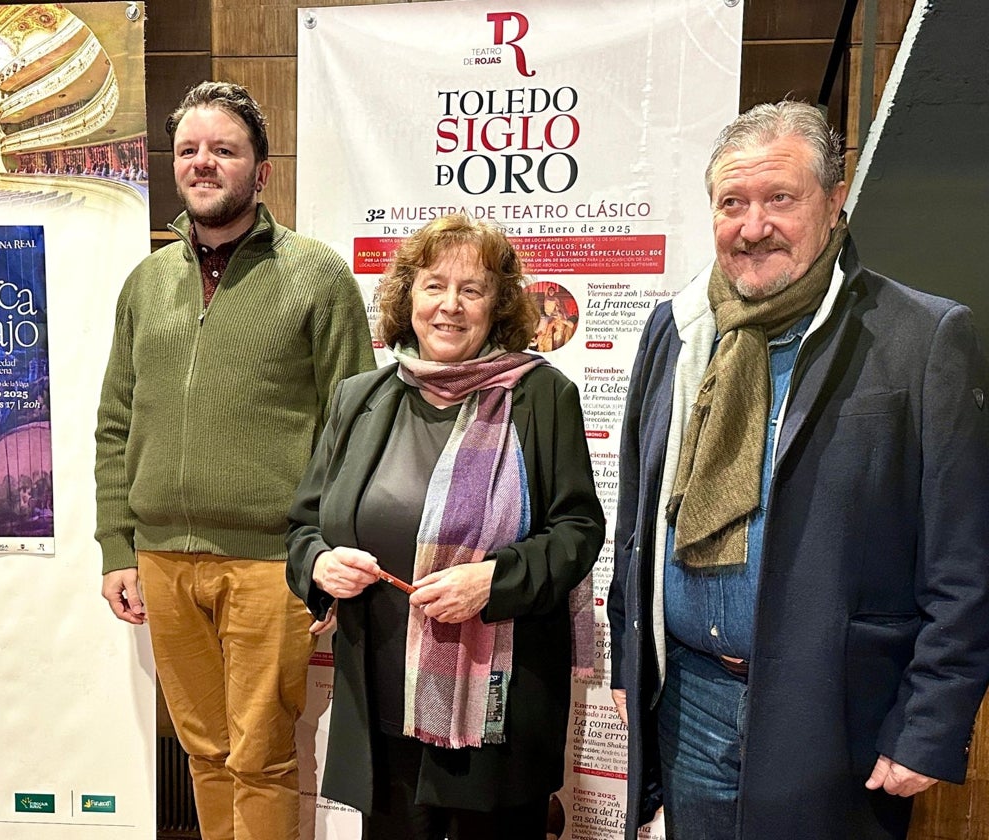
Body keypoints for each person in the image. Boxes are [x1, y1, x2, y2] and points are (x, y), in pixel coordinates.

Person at [607, 100, 989, 840]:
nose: (754, 227)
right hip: (688, 698)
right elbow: (635, 519)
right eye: (733, 203)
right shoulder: (678, 332)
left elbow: (964, 560)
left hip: (834, 712)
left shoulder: (922, 337)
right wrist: (631, 661)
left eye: (780, 198)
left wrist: (929, 722)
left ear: (834, 200)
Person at [94, 81, 374, 840]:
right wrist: (118, 544)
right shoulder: (146, 284)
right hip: (161, 558)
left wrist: (327, 552)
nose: (203, 163)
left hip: (271, 561)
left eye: (224, 149)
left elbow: (353, 427)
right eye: (189, 150)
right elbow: (116, 421)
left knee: (260, 754)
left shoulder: (318, 276)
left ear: (262, 170)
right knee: (204, 750)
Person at [286, 213, 605, 840]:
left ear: (499, 304)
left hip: (495, 714)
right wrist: (319, 564)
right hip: (381, 702)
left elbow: (578, 530)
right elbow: (303, 527)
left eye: (472, 289)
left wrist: (494, 582)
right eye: (434, 286)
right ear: (409, 297)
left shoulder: (542, 397)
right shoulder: (361, 398)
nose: (450, 307)